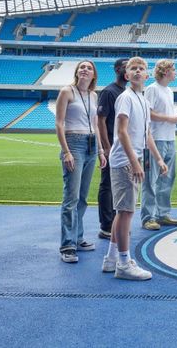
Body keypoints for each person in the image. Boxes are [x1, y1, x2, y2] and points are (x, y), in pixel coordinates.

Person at [101, 56, 167, 281]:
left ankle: (111, 259)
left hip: (133, 158)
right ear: (126, 75)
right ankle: (123, 262)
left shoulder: (142, 100)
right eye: (133, 69)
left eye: (141, 68)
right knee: (127, 212)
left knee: (123, 211)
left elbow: (147, 134)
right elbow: (121, 132)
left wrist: (158, 158)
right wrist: (135, 161)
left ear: (146, 75)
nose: (138, 71)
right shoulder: (126, 98)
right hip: (124, 161)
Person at [56, 60, 107, 264]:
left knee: (83, 197)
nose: (85, 70)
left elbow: (95, 124)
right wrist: (66, 151)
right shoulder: (67, 92)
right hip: (74, 143)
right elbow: (59, 123)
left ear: (94, 75)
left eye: (89, 68)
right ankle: (67, 245)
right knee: (71, 197)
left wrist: (101, 150)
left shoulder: (93, 95)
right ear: (77, 72)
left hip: (92, 144)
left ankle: (78, 237)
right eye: (82, 67)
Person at [141, 59, 177, 230]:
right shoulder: (152, 89)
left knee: (167, 178)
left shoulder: (169, 90)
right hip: (156, 138)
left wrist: (175, 119)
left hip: (170, 138)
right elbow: (148, 113)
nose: (176, 72)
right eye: (173, 69)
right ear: (165, 71)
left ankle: (162, 214)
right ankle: (148, 217)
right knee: (151, 179)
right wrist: (170, 119)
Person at [96, 58, 128, 240]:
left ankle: (116, 222)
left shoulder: (127, 92)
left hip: (124, 148)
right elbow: (100, 119)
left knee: (119, 186)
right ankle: (106, 225)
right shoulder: (109, 92)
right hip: (112, 146)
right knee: (107, 184)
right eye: (125, 66)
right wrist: (106, 146)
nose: (127, 70)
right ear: (117, 70)